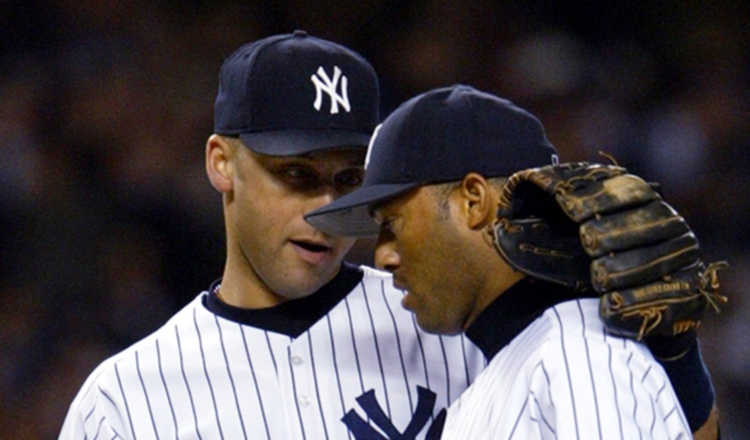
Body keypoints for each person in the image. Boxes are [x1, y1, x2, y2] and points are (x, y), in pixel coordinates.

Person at [58, 31, 486, 439]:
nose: (325, 208)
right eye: (296, 174)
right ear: (221, 163)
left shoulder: (449, 329)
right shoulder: (124, 401)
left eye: (348, 178)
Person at [305, 85, 721, 439]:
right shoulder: (511, 370)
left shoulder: (578, 358)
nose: (382, 255)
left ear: (473, 201)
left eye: (392, 224)